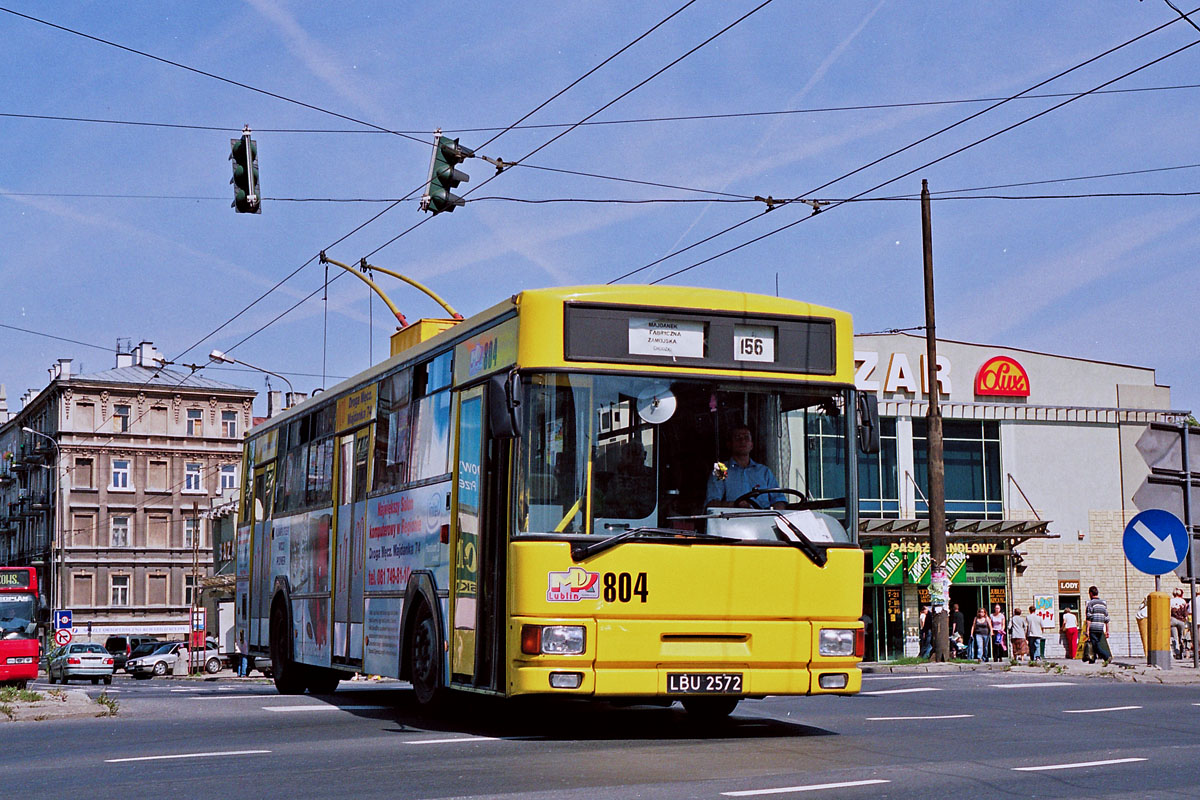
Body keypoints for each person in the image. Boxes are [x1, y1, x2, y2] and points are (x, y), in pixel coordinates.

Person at [705, 425, 787, 509]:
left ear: (751, 445)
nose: (742, 441)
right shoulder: (720, 469)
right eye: (738, 438)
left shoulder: (764, 471)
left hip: (763, 516)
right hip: (733, 516)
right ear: (729, 444)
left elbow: (779, 500)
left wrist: (777, 511)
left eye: (746, 437)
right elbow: (711, 503)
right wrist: (736, 505)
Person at [1084, 585, 1112, 666]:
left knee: (1095, 645)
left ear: (1091, 593)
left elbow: (1089, 618)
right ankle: (1093, 659)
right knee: (1097, 643)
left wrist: (1087, 630)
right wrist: (1107, 631)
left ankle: (1106, 656)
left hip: (1093, 627)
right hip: (1100, 627)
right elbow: (1106, 618)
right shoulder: (1103, 604)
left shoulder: (1091, 603)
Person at [1170, 588, 1189, 657]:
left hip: (1173, 620)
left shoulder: (1171, 601)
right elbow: (1185, 611)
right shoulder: (1183, 601)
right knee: (1181, 636)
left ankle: (1177, 652)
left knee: (1175, 637)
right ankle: (1181, 650)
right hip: (1181, 620)